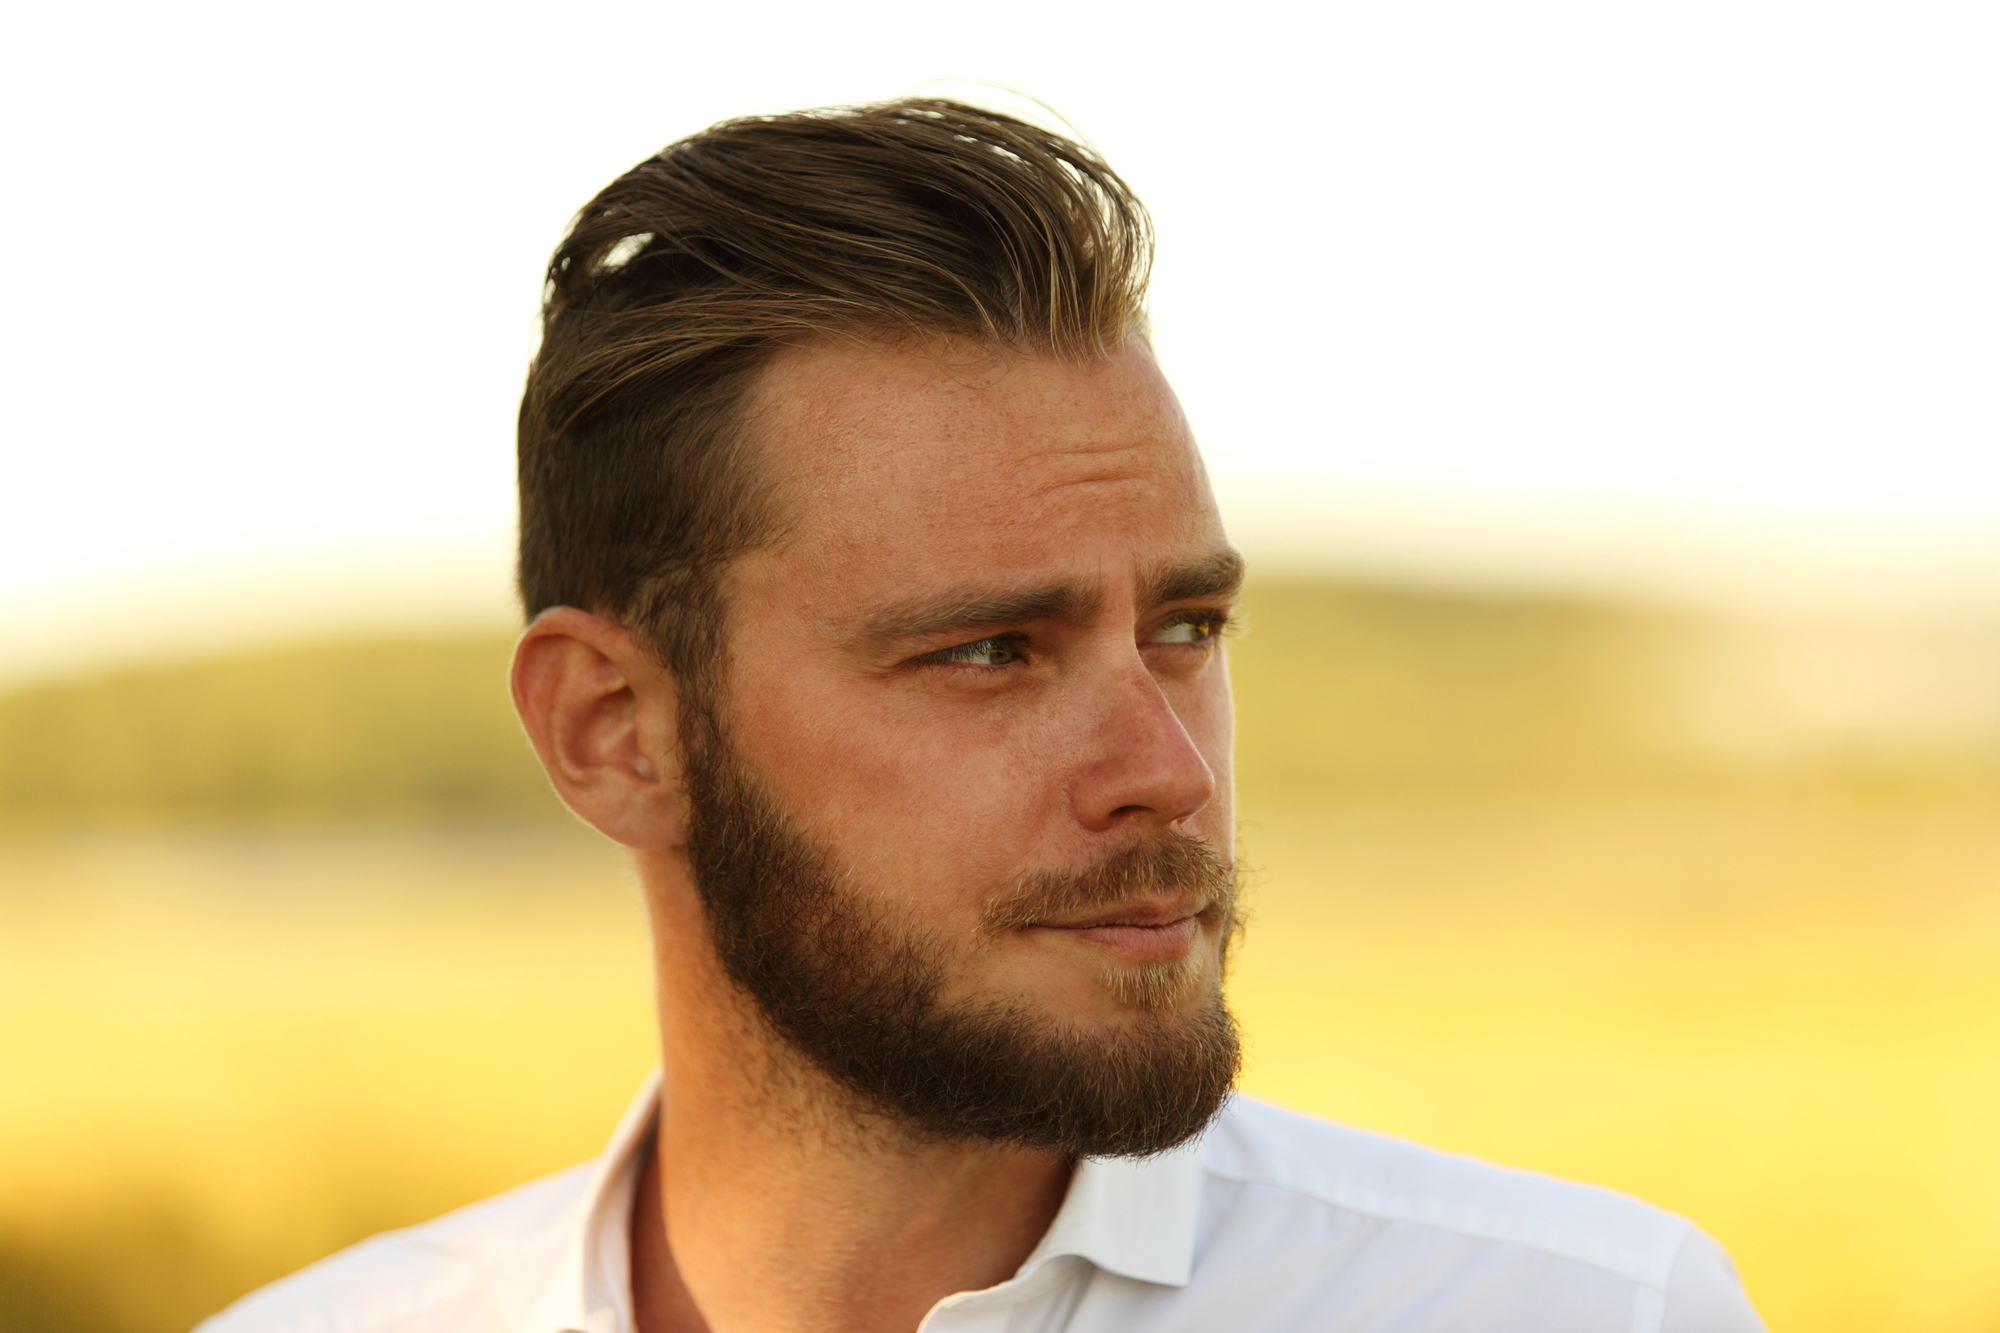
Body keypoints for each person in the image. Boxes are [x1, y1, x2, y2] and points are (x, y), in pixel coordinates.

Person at [198, 97, 1763, 1333]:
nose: (1166, 772)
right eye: (992, 651)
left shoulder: (1576, 1311)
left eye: (1186, 627)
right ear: (614, 728)